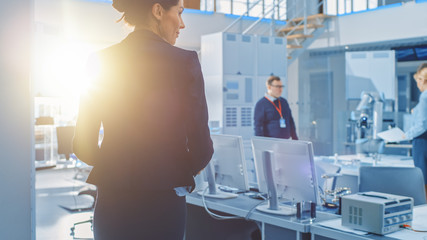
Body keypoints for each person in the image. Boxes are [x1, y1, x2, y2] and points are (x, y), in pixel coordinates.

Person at [72, 0, 214, 239]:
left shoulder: (99, 60)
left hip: (113, 201)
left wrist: (113, 165)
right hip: (163, 203)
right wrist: (171, 170)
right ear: (157, 11)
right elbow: (201, 148)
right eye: (179, 13)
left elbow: (82, 145)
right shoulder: (185, 62)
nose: (182, 24)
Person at [403, 63, 427, 201]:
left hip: (421, 141)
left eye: (418, 80)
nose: (417, 83)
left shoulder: (424, 97)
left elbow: (422, 125)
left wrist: (406, 135)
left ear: (422, 80)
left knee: (423, 178)